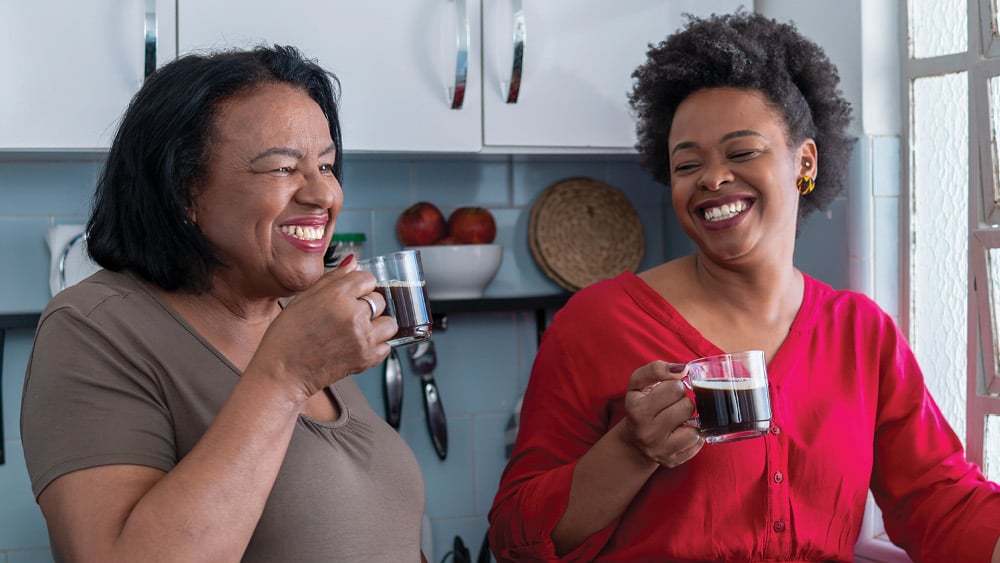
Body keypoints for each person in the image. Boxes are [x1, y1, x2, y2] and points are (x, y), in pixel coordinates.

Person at [488, 12, 1000, 563]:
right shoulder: (597, 322)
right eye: (688, 163)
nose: (712, 178)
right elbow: (515, 539)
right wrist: (632, 450)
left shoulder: (861, 334)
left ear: (803, 162)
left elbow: (940, 501)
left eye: (741, 152)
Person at [20, 45, 427, 562]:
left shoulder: (296, 321)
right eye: (283, 168)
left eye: (326, 165)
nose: (323, 194)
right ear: (185, 191)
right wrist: (284, 376)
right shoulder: (94, 328)